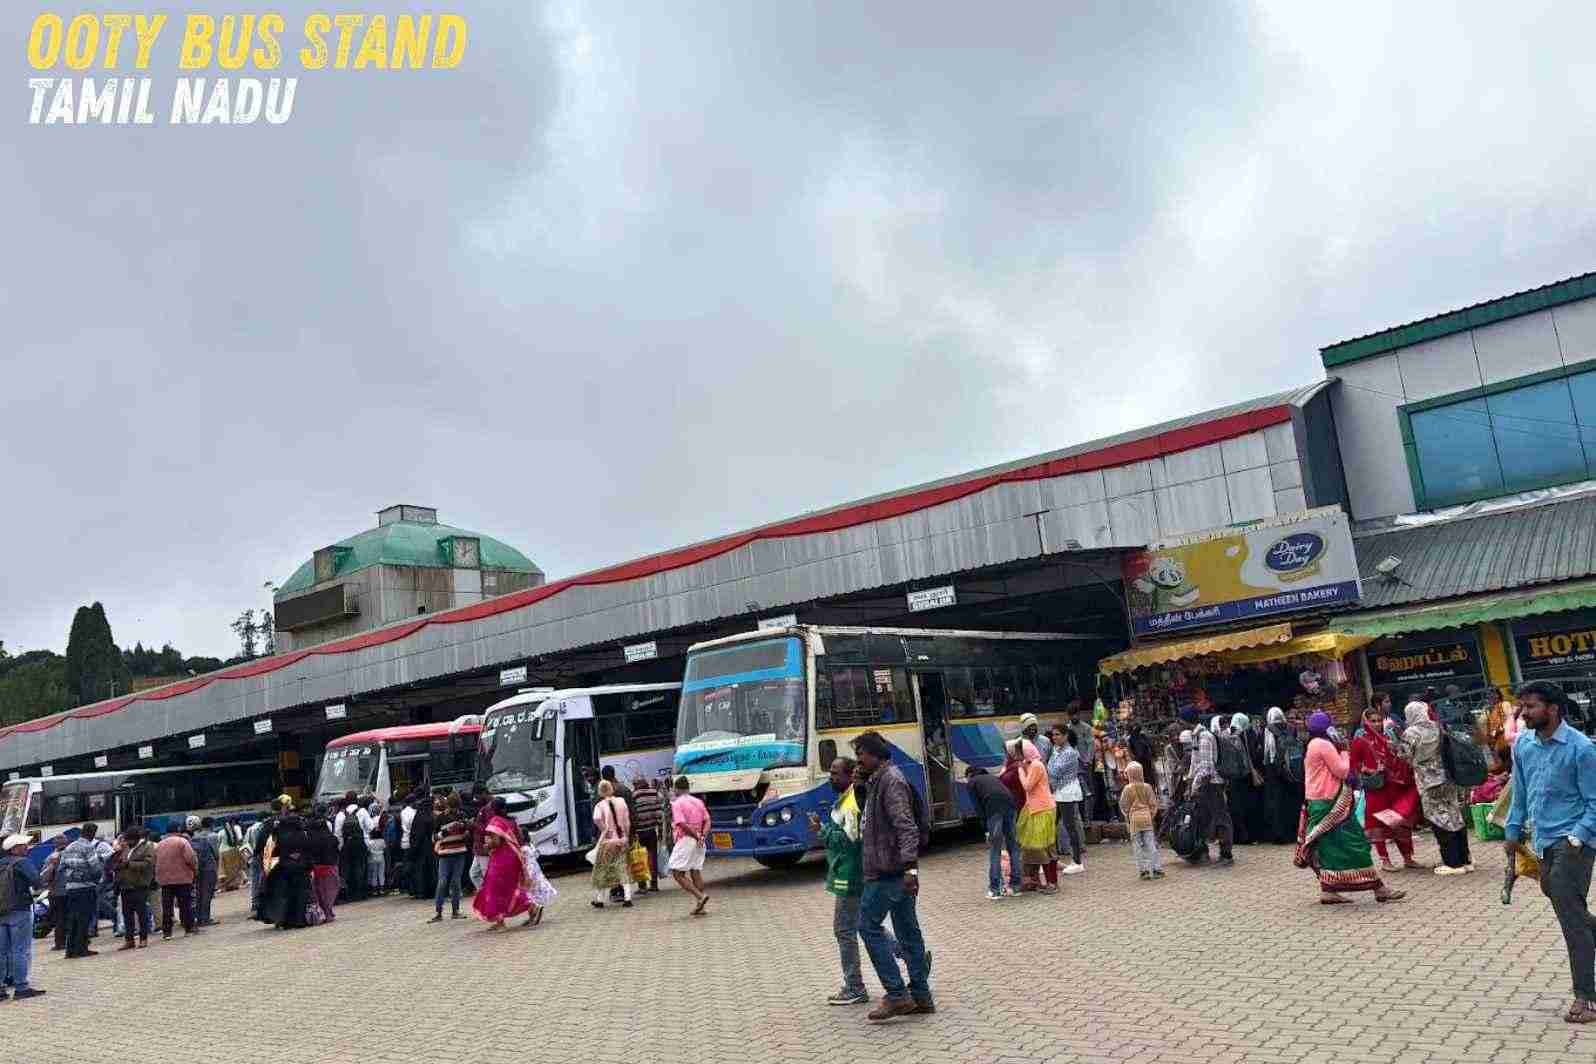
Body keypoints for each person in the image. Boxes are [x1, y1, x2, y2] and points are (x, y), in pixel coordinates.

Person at [1504, 681, 1596, 1024]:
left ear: (1553, 708)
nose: (1523, 713)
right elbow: (1521, 791)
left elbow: (1595, 803)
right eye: (1522, 706)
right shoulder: (1524, 745)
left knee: (1571, 920)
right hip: (1542, 840)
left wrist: (1577, 838)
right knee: (1564, 902)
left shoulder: (1581, 749)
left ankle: (1586, 998)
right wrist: (1512, 831)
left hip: (1574, 842)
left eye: (1530, 707)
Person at [852, 730, 932, 1022]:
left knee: (867, 925)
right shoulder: (876, 782)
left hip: (889, 871)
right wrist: (861, 789)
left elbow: (906, 827)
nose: (858, 760)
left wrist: (910, 867)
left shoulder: (892, 781)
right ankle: (921, 995)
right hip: (893, 870)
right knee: (908, 932)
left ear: (875, 755)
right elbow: (872, 821)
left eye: (861, 754)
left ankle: (897, 994)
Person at [1293, 712, 1406, 906]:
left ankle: (1329, 889)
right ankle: (1378, 887)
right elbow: (1343, 771)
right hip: (1331, 802)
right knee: (1356, 843)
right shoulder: (1324, 745)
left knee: (1329, 847)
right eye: (1331, 724)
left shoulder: (1312, 744)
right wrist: (1345, 752)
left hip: (1318, 801)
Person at [811, 756, 887, 1005]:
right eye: (830, 773)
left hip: (850, 875)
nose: (831, 777)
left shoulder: (852, 801)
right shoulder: (846, 799)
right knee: (864, 923)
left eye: (835, 773)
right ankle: (910, 956)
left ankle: (855, 987)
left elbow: (847, 840)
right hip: (850, 872)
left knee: (844, 929)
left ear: (849, 774)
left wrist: (821, 831)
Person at [1349, 698, 1426, 873]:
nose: (1376, 724)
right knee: (1378, 824)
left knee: (1400, 821)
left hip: (1393, 786)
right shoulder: (1360, 741)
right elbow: (1355, 764)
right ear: (1365, 722)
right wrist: (1371, 769)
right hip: (1376, 788)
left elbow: (1399, 757)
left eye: (1378, 720)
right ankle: (1385, 860)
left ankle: (1408, 857)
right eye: (1372, 721)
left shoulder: (1388, 737)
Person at [1396, 700, 1472, 874]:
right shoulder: (1437, 727)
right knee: (1455, 815)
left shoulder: (1411, 732)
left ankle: (1452, 863)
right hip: (1448, 777)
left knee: (1439, 819)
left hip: (1428, 781)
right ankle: (1465, 859)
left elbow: (1404, 755)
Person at [1181, 708, 1234, 865]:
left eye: (1181, 720)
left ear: (1186, 721)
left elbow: (1206, 768)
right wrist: (1190, 783)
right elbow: (1194, 764)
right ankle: (1202, 852)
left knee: (1220, 818)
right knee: (1201, 818)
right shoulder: (1196, 736)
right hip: (1204, 785)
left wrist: (1195, 785)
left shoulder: (1204, 737)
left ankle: (1226, 855)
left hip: (1211, 785)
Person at [471, 802, 532, 930]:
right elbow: (519, 838)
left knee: (495, 890)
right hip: (514, 858)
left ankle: (501, 922)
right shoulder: (512, 821)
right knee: (510, 888)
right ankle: (532, 908)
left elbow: (496, 841)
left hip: (501, 859)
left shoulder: (495, 821)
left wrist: (487, 845)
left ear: (494, 810)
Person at [964, 765, 1022, 900]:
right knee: (1013, 846)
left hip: (993, 810)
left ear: (969, 775)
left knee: (995, 849)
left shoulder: (972, 783)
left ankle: (995, 889)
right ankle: (1016, 886)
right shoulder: (992, 778)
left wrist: (986, 830)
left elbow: (978, 808)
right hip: (1010, 806)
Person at [1, 833, 46, 1001]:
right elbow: (37, 881)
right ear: (15, 848)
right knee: (20, 950)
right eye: (23, 845)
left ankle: (1, 990)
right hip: (19, 910)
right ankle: (21, 988)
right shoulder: (22, 862)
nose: (27, 847)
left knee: (2, 952)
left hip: (1, 913)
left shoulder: (1, 863)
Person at [1011, 739, 1058, 893]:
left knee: (1043, 848)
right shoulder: (1031, 765)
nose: (1018, 756)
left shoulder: (1036, 765)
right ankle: (1038, 880)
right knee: (1035, 848)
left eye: (1020, 752)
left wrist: (1020, 771)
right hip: (1035, 809)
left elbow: (1027, 786)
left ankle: (1052, 883)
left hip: (1043, 809)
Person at [258, 809, 314, 930]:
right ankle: (299, 920)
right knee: (301, 894)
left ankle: (286, 921)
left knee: (285, 895)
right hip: (301, 869)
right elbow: (309, 850)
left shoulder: (276, 835)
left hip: (283, 870)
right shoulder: (302, 834)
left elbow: (268, 854)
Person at [59, 823, 107, 958]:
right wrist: (96, 879)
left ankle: (70, 951)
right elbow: (96, 869)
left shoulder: (69, 847)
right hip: (86, 887)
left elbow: (61, 868)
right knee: (84, 919)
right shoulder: (88, 847)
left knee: (73, 919)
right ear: (92, 833)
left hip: (71, 889)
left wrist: (72, 875)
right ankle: (81, 949)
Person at [1046, 725, 1086, 874]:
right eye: (1053, 735)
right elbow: (1051, 767)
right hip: (1057, 792)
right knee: (1051, 826)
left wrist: (1049, 767)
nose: (1054, 737)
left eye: (1057, 734)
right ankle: (1051, 860)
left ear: (1065, 736)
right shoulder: (1057, 751)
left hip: (1067, 792)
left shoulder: (1070, 752)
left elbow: (1054, 770)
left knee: (1070, 827)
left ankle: (1077, 861)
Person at [668, 776, 710, 914]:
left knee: (677, 873)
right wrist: (702, 835)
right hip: (700, 839)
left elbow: (681, 823)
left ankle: (700, 896)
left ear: (676, 789)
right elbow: (707, 820)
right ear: (688, 787)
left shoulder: (677, 803)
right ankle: (701, 906)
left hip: (687, 839)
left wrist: (695, 836)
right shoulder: (698, 801)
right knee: (695, 870)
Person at [1260, 707, 1303, 844]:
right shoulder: (1291, 728)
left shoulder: (1268, 730)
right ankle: (1294, 832)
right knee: (1291, 801)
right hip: (1291, 771)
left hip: (1275, 771)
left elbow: (1268, 752)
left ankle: (1279, 835)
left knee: (1276, 803)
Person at [589, 780, 634, 909]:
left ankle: (599, 899)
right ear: (611, 789)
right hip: (621, 840)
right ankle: (627, 898)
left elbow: (597, 819)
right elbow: (627, 822)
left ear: (600, 791)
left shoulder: (599, 805)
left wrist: (604, 829)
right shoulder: (621, 801)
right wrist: (626, 836)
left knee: (602, 870)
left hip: (608, 842)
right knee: (622, 868)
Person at [108, 827, 156, 950]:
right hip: (125, 886)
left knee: (141, 914)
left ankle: (143, 939)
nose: (127, 843)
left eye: (129, 840)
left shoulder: (146, 847)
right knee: (127, 915)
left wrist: (130, 864)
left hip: (139, 886)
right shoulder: (126, 849)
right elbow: (119, 862)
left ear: (136, 839)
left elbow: (148, 864)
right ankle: (129, 940)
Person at [1118, 761, 1163, 881]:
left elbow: (1123, 805)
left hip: (1134, 819)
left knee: (1137, 846)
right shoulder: (1147, 787)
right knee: (1151, 844)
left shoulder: (1127, 789)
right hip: (1147, 818)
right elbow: (1153, 804)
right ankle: (1156, 869)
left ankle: (1143, 871)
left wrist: (1128, 815)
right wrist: (1151, 815)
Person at [1225, 713, 1265, 846]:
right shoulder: (1246, 735)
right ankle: (1250, 836)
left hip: (1232, 779)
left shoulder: (1226, 735)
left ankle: (1238, 837)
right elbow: (1253, 755)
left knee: (1235, 808)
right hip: (1246, 778)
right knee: (1249, 807)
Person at [429, 795, 471, 922]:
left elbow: (467, 833)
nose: (455, 811)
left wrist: (465, 831)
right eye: (453, 808)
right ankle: (439, 911)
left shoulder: (463, 815)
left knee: (455, 882)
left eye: (456, 808)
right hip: (445, 854)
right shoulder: (440, 818)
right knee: (442, 882)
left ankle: (454, 911)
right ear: (448, 806)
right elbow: (434, 837)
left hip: (459, 852)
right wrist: (447, 831)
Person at [154, 823, 199, 939]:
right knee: (185, 905)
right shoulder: (182, 842)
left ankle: (167, 933)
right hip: (183, 878)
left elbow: (155, 862)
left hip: (165, 880)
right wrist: (195, 871)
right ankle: (188, 929)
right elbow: (190, 858)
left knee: (167, 907)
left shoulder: (159, 845)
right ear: (178, 830)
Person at [306, 807, 341, 923]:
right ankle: (328, 911)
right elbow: (336, 848)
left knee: (319, 892)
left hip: (316, 867)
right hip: (330, 866)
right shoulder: (331, 837)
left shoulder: (310, 838)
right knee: (330, 891)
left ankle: (324, 912)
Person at [632, 777, 665, 893]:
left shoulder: (635, 795)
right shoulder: (654, 793)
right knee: (652, 857)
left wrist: (633, 831)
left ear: (636, 785)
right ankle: (654, 884)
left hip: (639, 832)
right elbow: (659, 813)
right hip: (652, 830)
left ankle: (642, 885)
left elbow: (633, 814)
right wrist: (660, 830)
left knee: (639, 857)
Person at [519, 827, 557, 926]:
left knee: (528, 895)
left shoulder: (522, 849)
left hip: (529, 872)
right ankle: (533, 915)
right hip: (537, 872)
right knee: (534, 893)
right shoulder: (531, 846)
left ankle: (535, 911)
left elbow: (525, 862)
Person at [188, 817, 220, 927]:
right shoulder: (212, 836)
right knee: (207, 894)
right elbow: (216, 854)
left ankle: (199, 918)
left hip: (197, 870)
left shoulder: (192, 839)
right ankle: (205, 919)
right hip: (209, 868)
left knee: (199, 894)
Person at [41, 835, 68, 952]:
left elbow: (43, 878)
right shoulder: (70, 854)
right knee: (67, 917)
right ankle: (67, 941)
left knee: (59, 919)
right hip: (68, 890)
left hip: (55, 892)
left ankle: (60, 943)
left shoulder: (49, 858)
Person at [408, 791, 437, 901]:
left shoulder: (419, 817)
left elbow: (416, 834)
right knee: (431, 869)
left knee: (421, 870)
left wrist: (413, 847)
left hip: (421, 847)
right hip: (430, 846)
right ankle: (431, 890)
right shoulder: (431, 816)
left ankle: (422, 891)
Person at [468, 785, 493, 891]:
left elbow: (489, 828)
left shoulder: (490, 808)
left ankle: (489, 896)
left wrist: (474, 824)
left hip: (485, 847)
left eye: (477, 796)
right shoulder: (484, 807)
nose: (476, 799)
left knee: (486, 875)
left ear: (483, 793)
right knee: (474, 874)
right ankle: (486, 894)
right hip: (479, 847)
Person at [366, 799, 388, 896]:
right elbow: (384, 847)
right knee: (381, 873)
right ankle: (382, 888)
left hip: (373, 858)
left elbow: (369, 848)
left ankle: (374, 890)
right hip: (381, 858)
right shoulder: (382, 840)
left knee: (374, 873)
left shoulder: (370, 841)